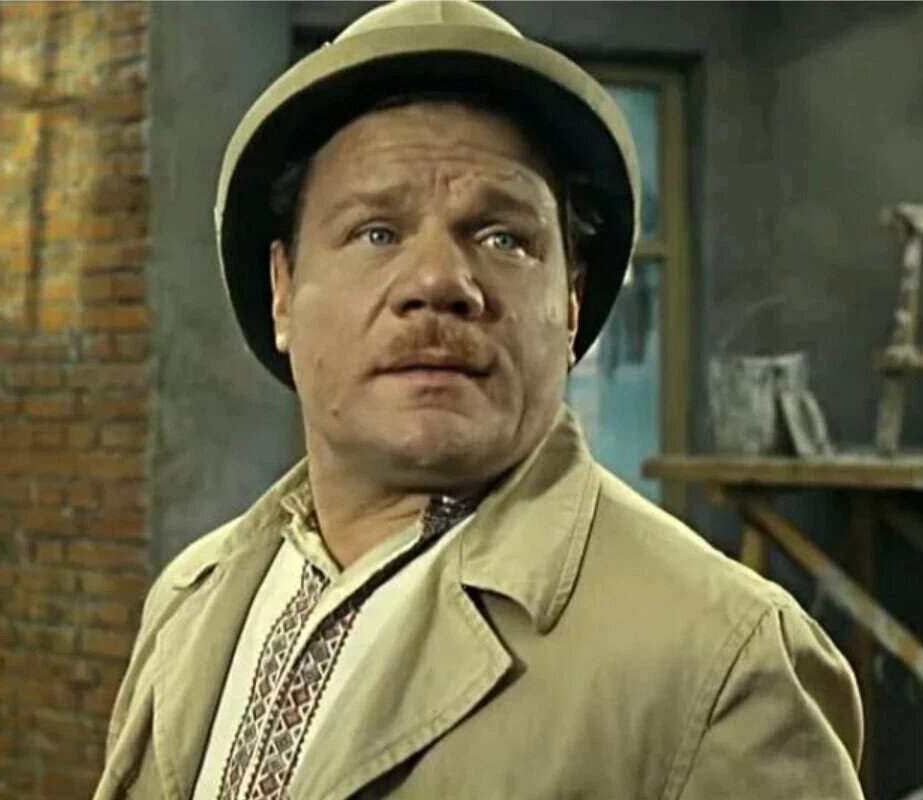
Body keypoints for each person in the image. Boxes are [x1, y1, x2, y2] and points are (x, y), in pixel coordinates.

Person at [94, 2, 865, 798]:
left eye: (503, 239)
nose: (438, 282)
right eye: (376, 232)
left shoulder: (720, 665)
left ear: (571, 304)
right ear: (282, 290)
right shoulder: (192, 601)